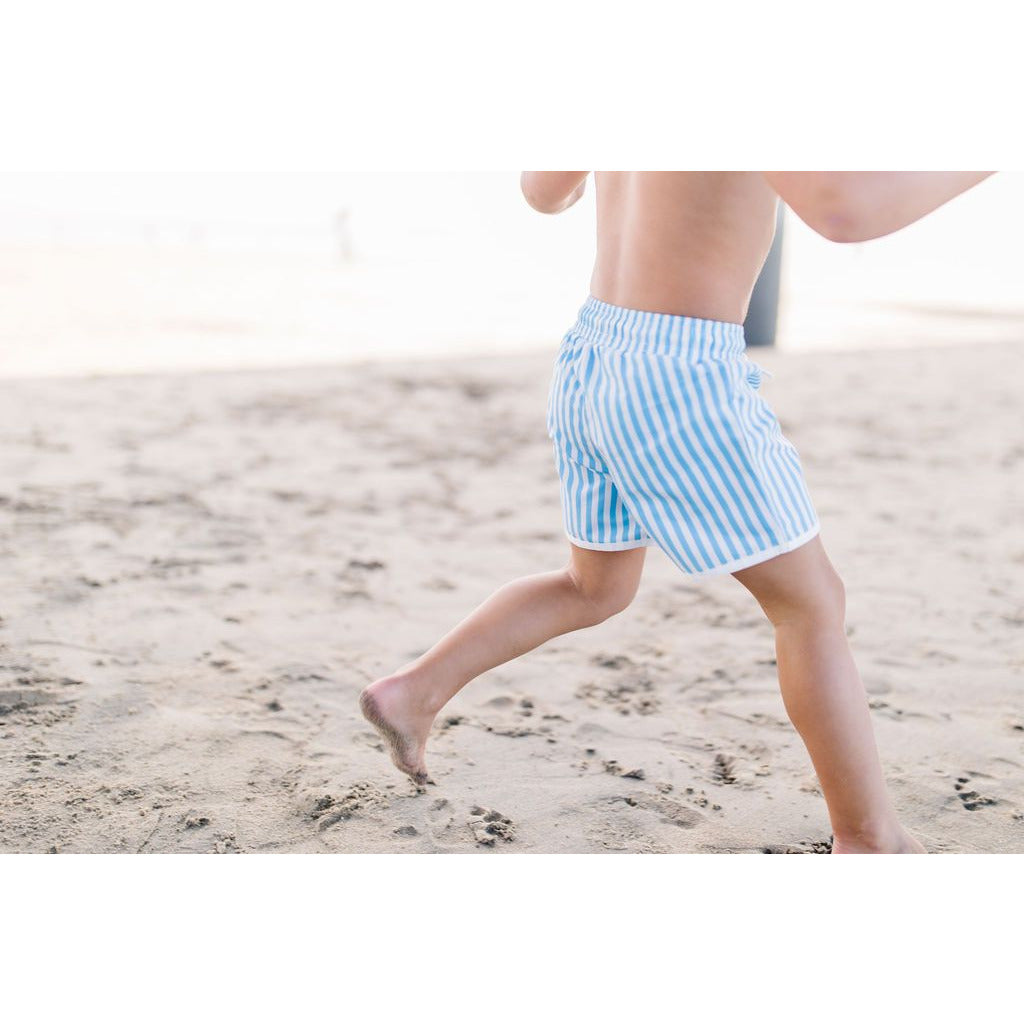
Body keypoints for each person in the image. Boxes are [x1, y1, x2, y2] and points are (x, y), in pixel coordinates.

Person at [360, 171, 993, 854]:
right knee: (810, 606)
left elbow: (542, 191)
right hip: (682, 372)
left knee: (594, 587)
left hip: (593, 356)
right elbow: (842, 211)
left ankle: (414, 692)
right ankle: (869, 839)